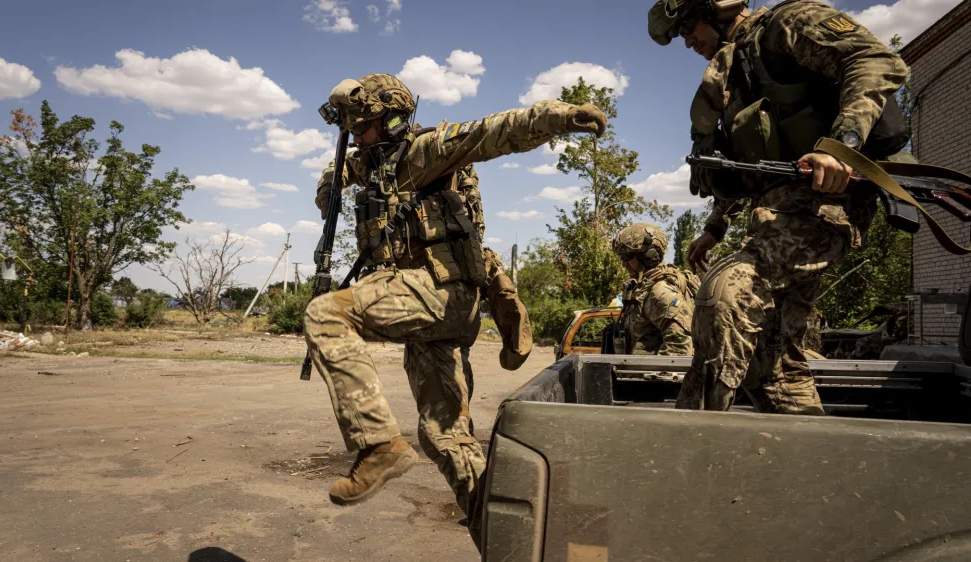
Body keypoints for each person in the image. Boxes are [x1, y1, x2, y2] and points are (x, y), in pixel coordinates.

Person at [305, 73, 606, 518]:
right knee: (443, 436)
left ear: (391, 119)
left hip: (443, 294)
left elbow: (493, 132)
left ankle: (378, 445)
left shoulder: (425, 151)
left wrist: (560, 116)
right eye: (350, 129)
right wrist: (328, 186)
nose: (356, 137)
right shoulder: (373, 162)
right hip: (427, 312)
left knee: (327, 314)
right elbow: (340, 169)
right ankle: (501, 530)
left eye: (362, 126)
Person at [647, 0, 911, 413]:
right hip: (776, 214)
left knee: (726, 295)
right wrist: (715, 227)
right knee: (773, 363)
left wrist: (841, 147)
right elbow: (750, 164)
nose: (687, 41)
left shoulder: (785, 25)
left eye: (687, 27)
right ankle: (801, 441)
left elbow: (874, 59)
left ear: (715, 8)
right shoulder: (733, 74)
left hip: (827, 206)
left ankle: (693, 437)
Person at [611, 223, 697, 355]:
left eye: (627, 257)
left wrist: (652, 368)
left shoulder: (660, 292)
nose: (623, 263)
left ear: (649, 256)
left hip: (653, 369)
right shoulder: (642, 288)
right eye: (621, 258)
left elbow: (680, 349)